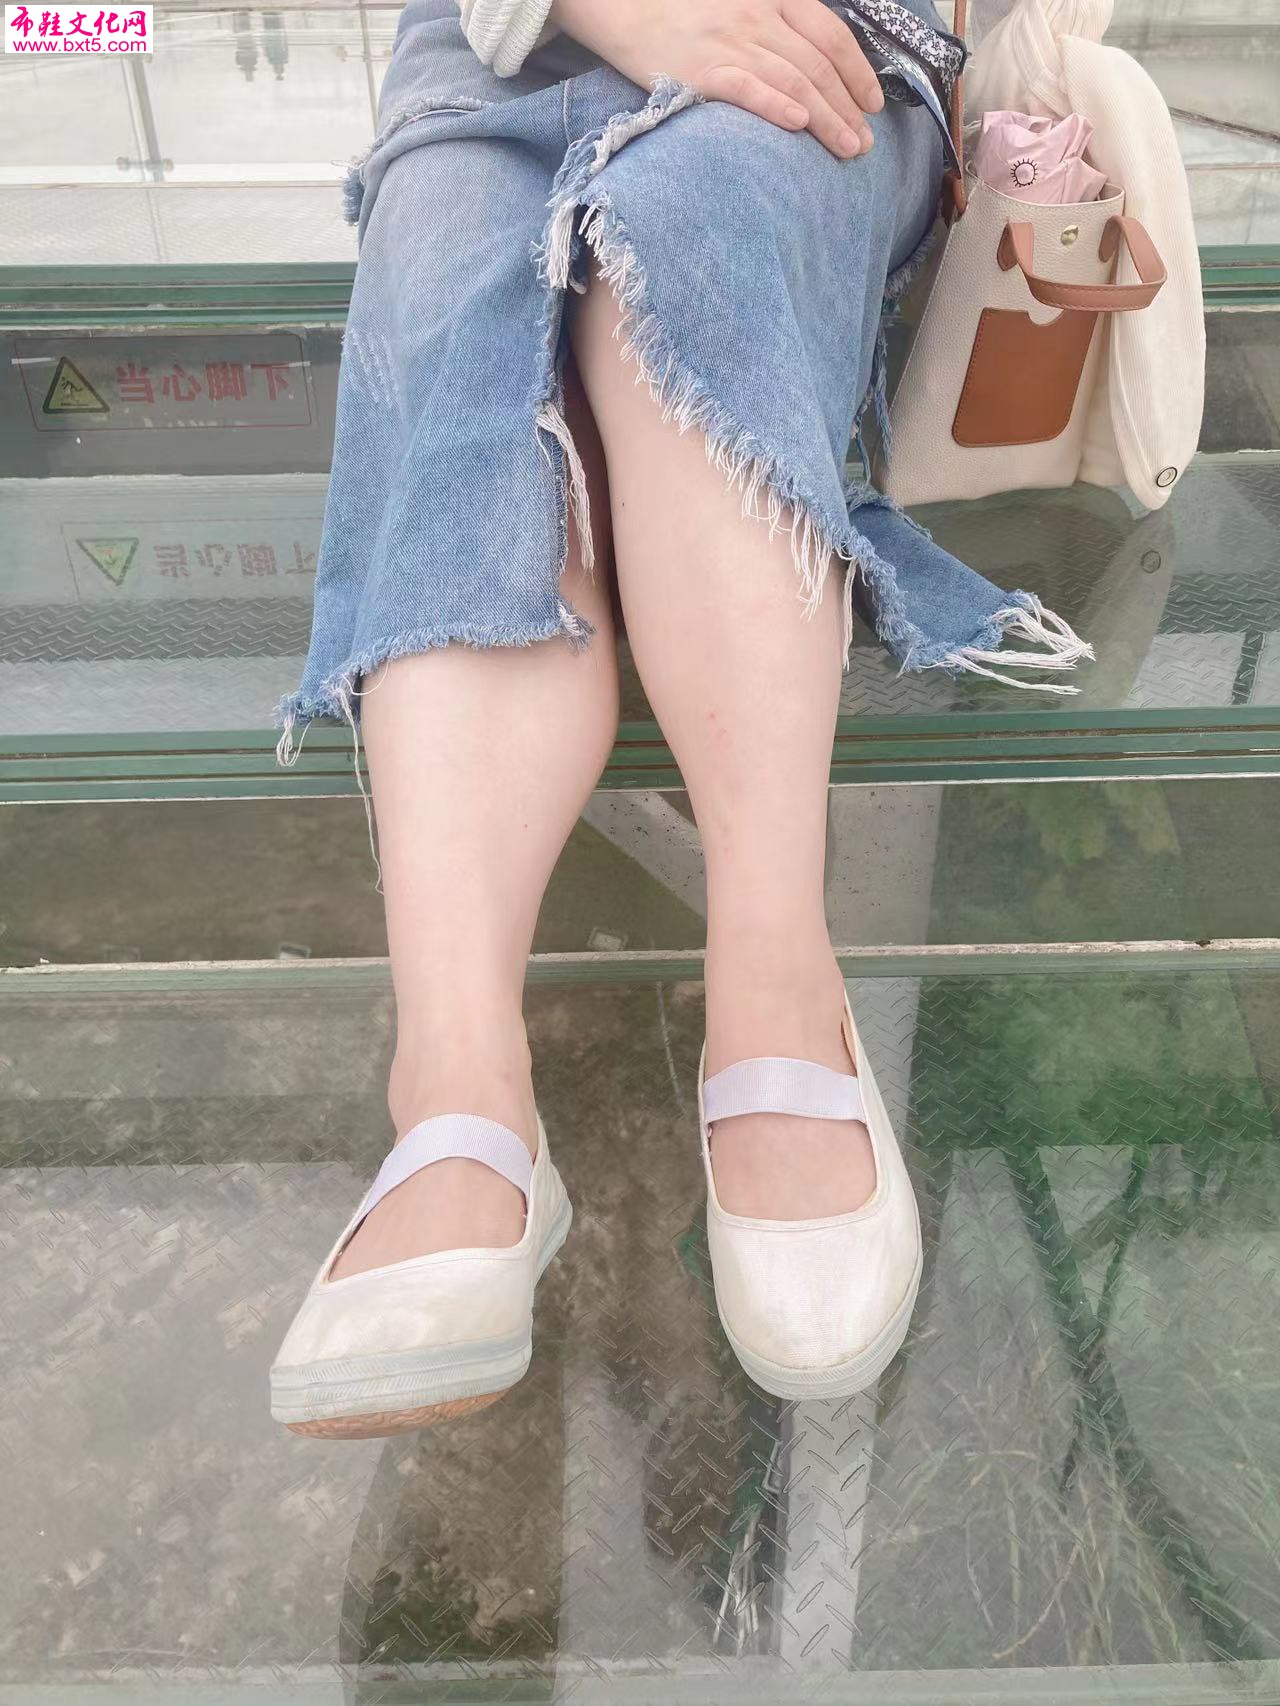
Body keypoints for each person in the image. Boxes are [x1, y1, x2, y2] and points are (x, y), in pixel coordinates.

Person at [267, 0, 1084, 1439]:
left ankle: (776, 975)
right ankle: (457, 1083)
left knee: (693, 221)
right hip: (496, 42)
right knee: (453, 296)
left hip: (820, 37)